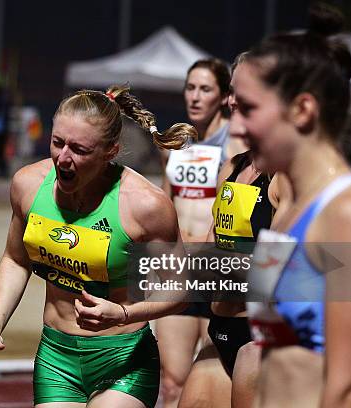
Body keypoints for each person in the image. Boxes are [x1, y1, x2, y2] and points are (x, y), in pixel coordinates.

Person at [0, 86, 193, 408]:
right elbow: (16, 260)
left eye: (79, 149)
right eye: (57, 142)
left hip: (123, 358)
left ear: (110, 151)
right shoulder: (29, 185)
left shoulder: (144, 206)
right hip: (55, 356)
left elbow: (181, 291)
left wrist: (122, 313)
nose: (63, 158)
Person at [230, 4, 351, 407]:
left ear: (302, 110)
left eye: (249, 109)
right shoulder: (288, 205)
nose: (236, 127)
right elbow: (266, 350)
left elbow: (348, 389)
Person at [177, 53, 293, 408]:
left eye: (240, 91)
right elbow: (212, 247)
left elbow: (274, 276)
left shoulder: (283, 178)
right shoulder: (231, 166)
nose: (229, 100)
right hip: (219, 331)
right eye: (231, 91)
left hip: (258, 339)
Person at [157, 58, 246, 407]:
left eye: (205, 89)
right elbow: (166, 201)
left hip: (214, 273)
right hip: (176, 269)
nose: (195, 96)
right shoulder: (176, 142)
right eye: (190, 87)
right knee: (173, 379)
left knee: (216, 375)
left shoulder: (237, 147)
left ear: (225, 96)